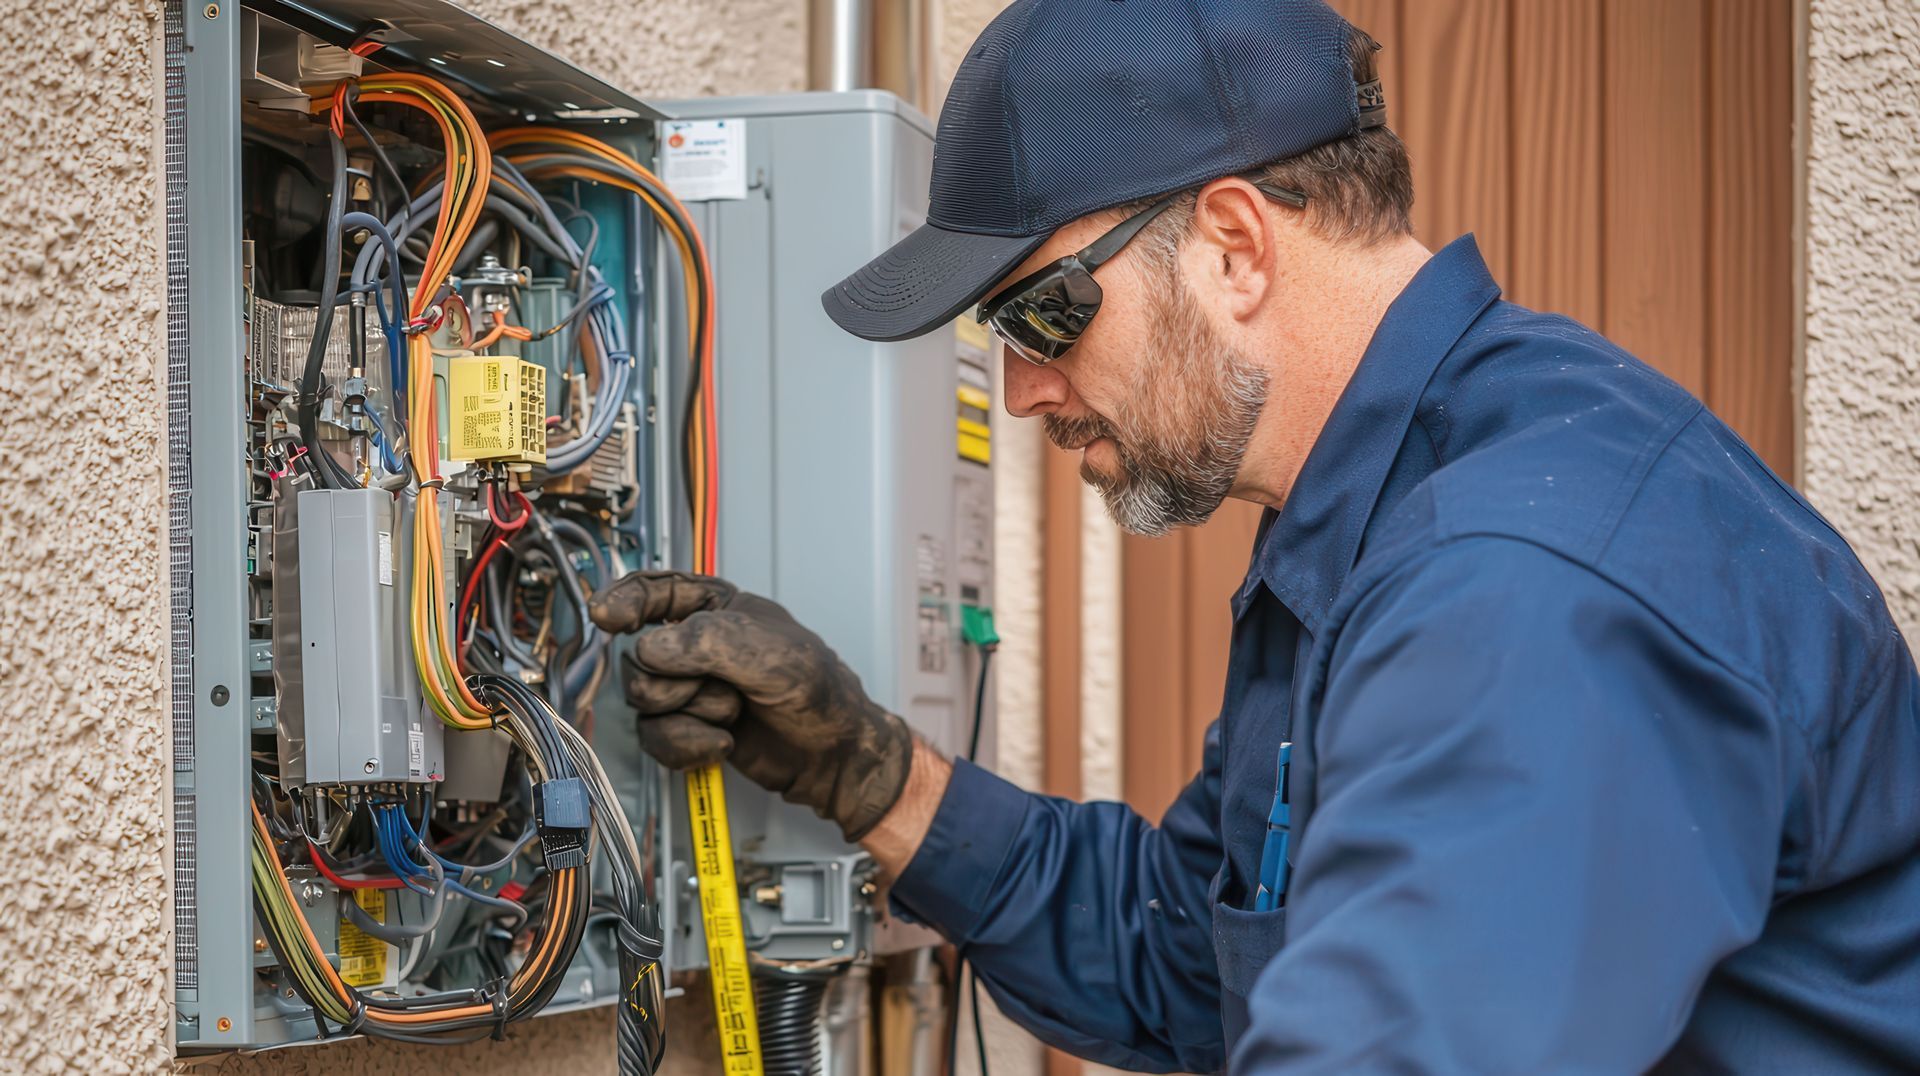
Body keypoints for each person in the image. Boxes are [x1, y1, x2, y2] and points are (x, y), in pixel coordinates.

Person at [589, 0, 1920, 1070]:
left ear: (1231, 244)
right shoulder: (1367, 518)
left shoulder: (1517, 586)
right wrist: (868, 772)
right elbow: (1194, 957)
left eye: (1042, 314)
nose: (1024, 388)